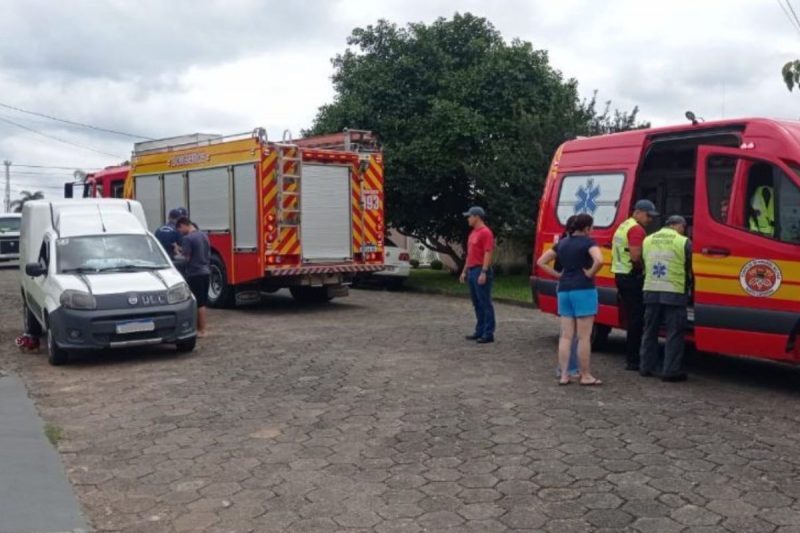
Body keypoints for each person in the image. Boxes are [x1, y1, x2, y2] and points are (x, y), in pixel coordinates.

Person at [537, 213, 604, 386]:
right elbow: (599, 260)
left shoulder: (562, 243)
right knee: (583, 337)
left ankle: (565, 374)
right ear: (587, 228)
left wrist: (558, 275)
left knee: (566, 336)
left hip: (564, 290)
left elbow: (541, 261)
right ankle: (585, 375)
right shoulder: (589, 243)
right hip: (583, 290)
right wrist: (590, 273)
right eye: (592, 226)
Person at [640, 215, 692, 382]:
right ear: (678, 225)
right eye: (683, 227)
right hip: (674, 291)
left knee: (649, 331)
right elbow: (691, 265)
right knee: (674, 332)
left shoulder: (648, 239)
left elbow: (643, 261)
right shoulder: (683, 241)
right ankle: (670, 370)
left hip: (651, 289)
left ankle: (646, 367)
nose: (684, 230)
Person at [611, 199, 659, 371]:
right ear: (638, 212)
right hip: (632, 277)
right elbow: (635, 256)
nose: (650, 220)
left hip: (620, 274)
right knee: (637, 319)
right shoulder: (636, 229)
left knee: (632, 316)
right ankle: (633, 359)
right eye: (648, 215)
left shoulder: (624, 225)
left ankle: (632, 357)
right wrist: (643, 270)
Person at [460, 206, 495, 344]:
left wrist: (484, 271)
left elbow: (488, 252)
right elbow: (469, 255)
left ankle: (488, 333)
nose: (468, 219)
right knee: (476, 303)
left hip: (480, 269)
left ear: (477, 217)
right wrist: (464, 270)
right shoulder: (473, 233)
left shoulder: (485, 233)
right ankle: (479, 330)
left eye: (470, 216)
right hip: (472, 270)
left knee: (485, 302)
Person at [554, 216, 580, 380]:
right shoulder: (583, 245)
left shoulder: (561, 243)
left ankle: (563, 368)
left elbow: (556, 266)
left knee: (566, 333)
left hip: (563, 286)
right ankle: (570, 368)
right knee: (575, 334)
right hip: (578, 288)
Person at [176, 216, 211, 337]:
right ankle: (204, 328)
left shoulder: (188, 238)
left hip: (195, 273)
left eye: (180, 229)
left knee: (197, 303)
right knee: (203, 303)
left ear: (183, 225)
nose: (180, 232)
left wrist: (176, 256)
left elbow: (186, 258)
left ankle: (201, 330)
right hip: (206, 271)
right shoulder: (203, 235)